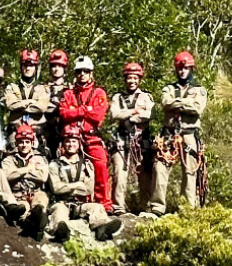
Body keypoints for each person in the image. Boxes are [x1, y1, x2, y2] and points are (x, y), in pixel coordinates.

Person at [149, 51, 208, 216]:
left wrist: (178, 103)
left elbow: (197, 108)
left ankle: (187, 209)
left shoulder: (199, 90)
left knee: (190, 172)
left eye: (186, 68)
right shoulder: (168, 88)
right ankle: (157, 208)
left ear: (191, 69)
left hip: (189, 135)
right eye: (180, 68)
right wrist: (186, 103)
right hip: (168, 135)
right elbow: (165, 103)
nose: (182, 71)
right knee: (159, 168)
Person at [48, 124, 123, 242]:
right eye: (68, 142)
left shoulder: (86, 165)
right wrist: (77, 185)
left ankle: (102, 228)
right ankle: (61, 232)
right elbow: (56, 188)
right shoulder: (54, 165)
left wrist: (67, 187)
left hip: (80, 205)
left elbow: (88, 189)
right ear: (63, 144)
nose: (70, 145)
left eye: (74, 142)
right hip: (62, 203)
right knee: (59, 212)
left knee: (97, 207)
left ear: (78, 144)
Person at [59, 56, 112, 213]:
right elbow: (63, 114)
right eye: (79, 71)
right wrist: (85, 110)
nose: (82, 74)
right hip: (72, 139)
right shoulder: (68, 93)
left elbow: (98, 116)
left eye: (86, 71)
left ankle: (104, 204)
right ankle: (76, 201)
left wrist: (75, 111)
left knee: (101, 165)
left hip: (91, 138)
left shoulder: (99, 93)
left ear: (91, 73)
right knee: (67, 167)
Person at [109, 62, 154, 215]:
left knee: (144, 173)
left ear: (139, 79)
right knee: (119, 173)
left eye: (135, 78)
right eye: (129, 78)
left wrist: (128, 115)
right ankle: (118, 206)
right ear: (125, 79)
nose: (132, 81)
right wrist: (135, 111)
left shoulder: (146, 97)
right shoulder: (117, 97)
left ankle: (145, 205)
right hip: (122, 139)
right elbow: (115, 114)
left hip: (141, 139)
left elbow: (148, 115)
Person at [1, 125, 50, 239]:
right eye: (21, 142)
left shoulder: (39, 158)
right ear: (16, 143)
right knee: (23, 208)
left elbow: (42, 177)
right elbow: (6, 175)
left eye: (27, 142)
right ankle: (29, 223)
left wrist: (18, 173)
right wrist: (27, 169)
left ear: (32, 143)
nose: (24, 145)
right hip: (18, 195)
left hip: (35, 192)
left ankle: (38, 217)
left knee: (40, 199)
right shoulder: (9, 160)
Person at [2, 50, 50, 153]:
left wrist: (20, 104)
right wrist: (31, 101)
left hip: (36, 134)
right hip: (15, 135)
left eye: (31, 66)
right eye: (25, 65)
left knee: (39, 161)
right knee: (12, 160)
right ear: (21, 66)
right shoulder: (12, 87)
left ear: (35, 67)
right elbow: (11, 105)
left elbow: (41, 107)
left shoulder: (43, 88)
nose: (28, 68)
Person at [43, 50, 70, 159]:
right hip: (46, 132)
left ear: (64, 68)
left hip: (66, 132)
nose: (56, 69)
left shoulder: (70, 89)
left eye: (60, 66)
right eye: (54, 66)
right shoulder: (43, 89)